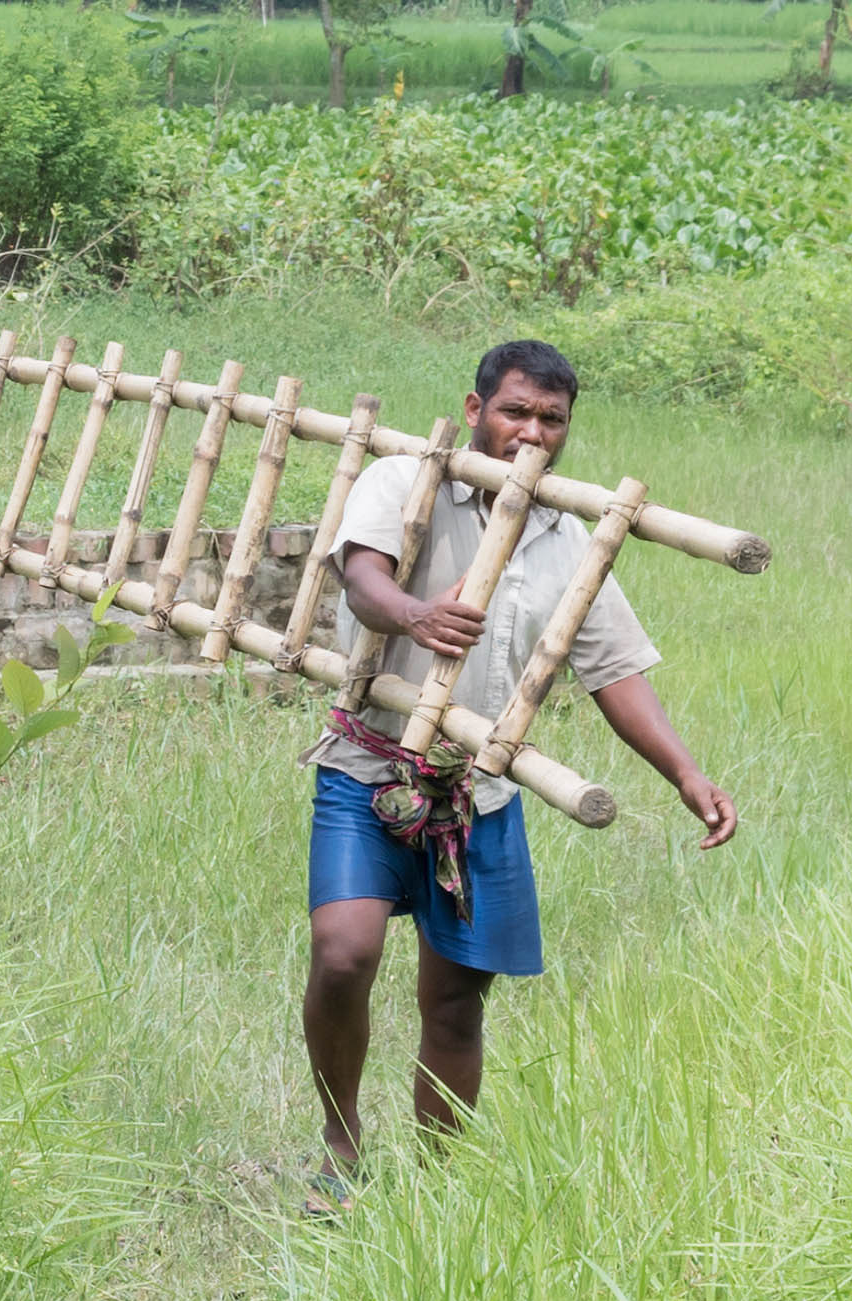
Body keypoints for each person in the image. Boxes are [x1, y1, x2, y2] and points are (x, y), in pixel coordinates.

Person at [302, 336, 732, 1179]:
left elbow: (612, 671)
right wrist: (415, 615)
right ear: (476, 412)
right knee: (343, 952)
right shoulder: (404, 479)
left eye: (551, 419)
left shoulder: (571, 537)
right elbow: (362, 579)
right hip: (369, 770)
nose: (531, 434)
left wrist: (686, 774)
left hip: (477, 796)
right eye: (514, 412)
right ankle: (341, 1144)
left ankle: (435, 1187)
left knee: (457, 1003)